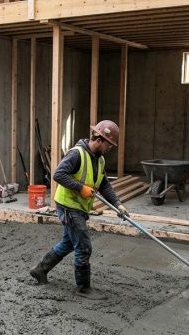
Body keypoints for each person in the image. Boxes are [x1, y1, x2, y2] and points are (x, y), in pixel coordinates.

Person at [29, 120, 130, 299]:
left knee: (69, 243)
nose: (110, 149)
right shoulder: (77, 154)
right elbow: (58, 174)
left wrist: (118, 205)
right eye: (109, 145)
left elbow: (104, 184)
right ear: (99, 139)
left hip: (79, 207)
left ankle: (40, 270)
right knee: (83, 246)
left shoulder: (100, 160)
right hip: (69, 206)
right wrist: (81, 188)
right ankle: (83, 288)